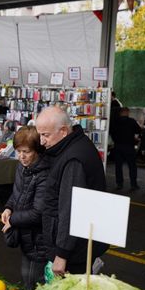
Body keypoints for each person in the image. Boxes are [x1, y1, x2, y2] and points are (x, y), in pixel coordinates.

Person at [35, 106, 108, 275]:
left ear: (63, 131)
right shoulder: (77, 145)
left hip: (75, 251)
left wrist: (62, 254)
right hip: (80, 245)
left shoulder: (73, 159)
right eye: (40, 134)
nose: (41, 141)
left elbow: (70, 209)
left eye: (45, 135)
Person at [1, 126, 50, 290]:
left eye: (26, 152)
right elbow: (17, 193)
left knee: (33, 282)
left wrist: (13, 220)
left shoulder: (44, 174)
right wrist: (8, 207)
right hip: (27, 237)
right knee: (28, 279)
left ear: (36, 150)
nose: (21, 156)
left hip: (39, 240)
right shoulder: (22, 168)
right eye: (18, 151)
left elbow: (38, 213)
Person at [109, 107, 142, 190]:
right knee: (132, 166)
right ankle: (133, 184)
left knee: (118, 166)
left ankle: (119, 184)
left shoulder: (115, 122)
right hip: (129, 146)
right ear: (127, 112)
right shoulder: (131, 121)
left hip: (118, 146)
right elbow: (138, 130)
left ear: (120, 113)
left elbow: (111, 132)